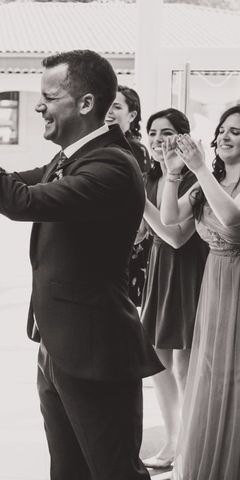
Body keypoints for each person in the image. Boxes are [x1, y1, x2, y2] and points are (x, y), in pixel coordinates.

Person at [0, 50, 163, 480]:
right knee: (68, 471)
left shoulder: (112, 165)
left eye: (48, 96)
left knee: (113, 471)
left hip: (97, 350)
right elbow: (12, 184)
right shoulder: (72, 157)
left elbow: (21, 202)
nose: (38, 105)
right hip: (59, 345)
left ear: (85, 104)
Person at [160, 105, 240, 480]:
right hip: (215, 284)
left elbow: (231, 218)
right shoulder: (211, 179)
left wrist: (200, 169)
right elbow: (170, 219)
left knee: (234, 375)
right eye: (223, 129)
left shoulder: (212, 178)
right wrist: (174, 174)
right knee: (210, 375)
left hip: (237, 284)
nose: (224, 136)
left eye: (236, 132)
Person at [137, 109, 208, 469]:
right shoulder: (150, 176)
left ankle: (192, 445)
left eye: (166, 133)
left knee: (184, 367)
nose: (158, 140)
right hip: (159, 273)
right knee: (159, 363)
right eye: (152, 133)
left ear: (183, 137)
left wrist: (138, 200)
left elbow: (176, 236)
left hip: (190, 271)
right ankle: (172, 441)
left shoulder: (197, 180)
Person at [106, 85, 153, 305]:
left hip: (126, 239)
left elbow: (139, 197)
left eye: (116, 106)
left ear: (131, 115)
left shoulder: (136, 151)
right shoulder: (95, 146)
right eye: (106, 105)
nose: (109, 111)